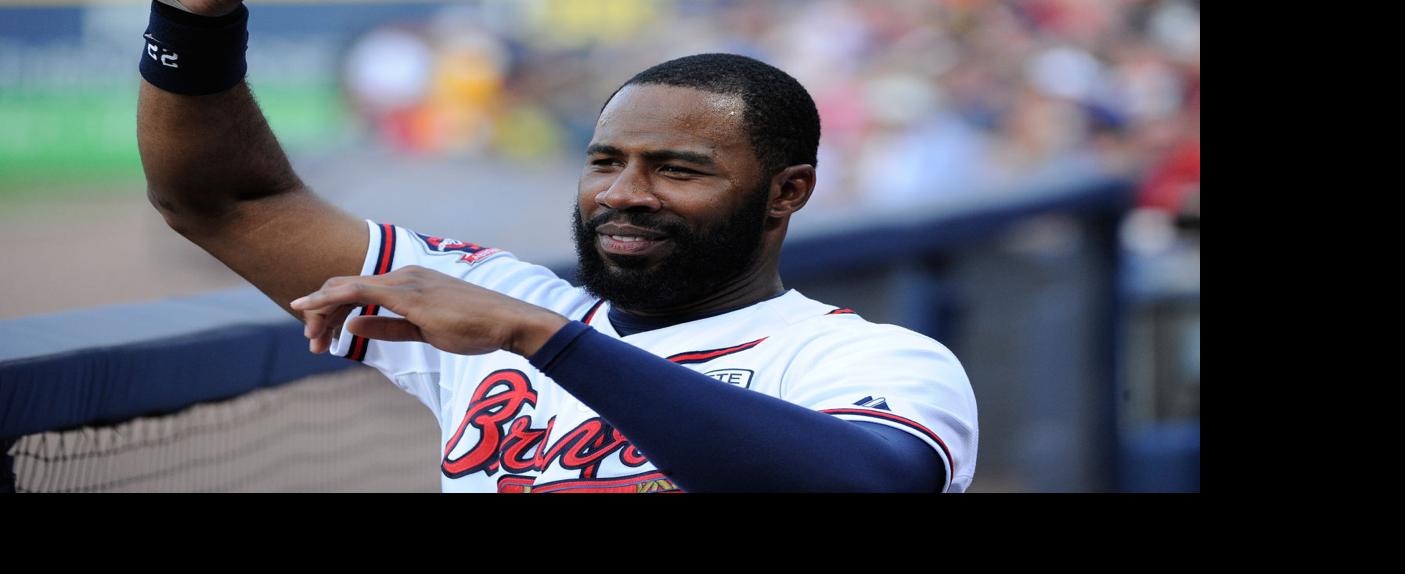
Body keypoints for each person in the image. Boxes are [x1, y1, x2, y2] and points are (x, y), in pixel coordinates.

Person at [138, 0, 978, 493]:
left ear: (786, 192)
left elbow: (868, 484)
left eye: (677, 169)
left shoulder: (870, 359)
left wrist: (540, 338)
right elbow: (224, 199)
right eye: (606, 161)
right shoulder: (494, 304)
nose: (624, 192)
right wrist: (193, 17)